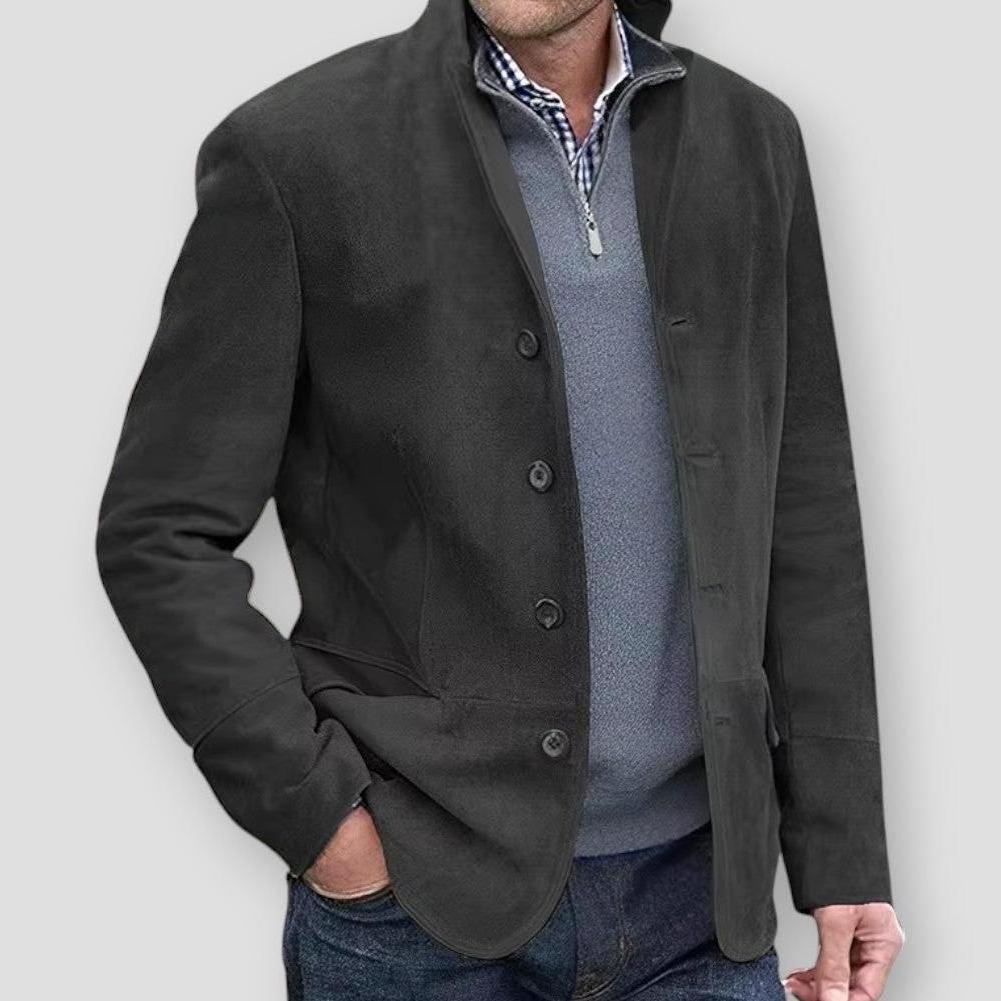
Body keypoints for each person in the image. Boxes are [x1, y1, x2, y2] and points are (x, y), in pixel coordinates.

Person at [96, 1, 904, 998]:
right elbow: (159, 532)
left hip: (701, 907)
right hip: (416, 911)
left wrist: (843, 853)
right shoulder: (296, 148)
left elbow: (805, 508)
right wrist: (321, 821)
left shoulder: (751, 138)